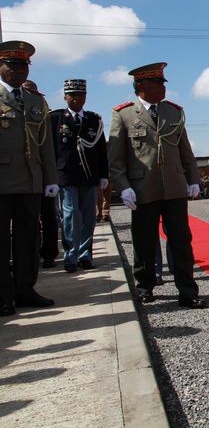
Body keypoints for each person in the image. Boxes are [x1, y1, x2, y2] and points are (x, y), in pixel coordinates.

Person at [108, 62, 207, 308]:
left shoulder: (174, 112)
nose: (162, 88)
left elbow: (185, 150)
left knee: (181, 241)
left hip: (174, 187)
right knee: (143, 240)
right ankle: (144, 287)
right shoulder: (124, 114)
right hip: (143, 188)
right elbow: (116, 158)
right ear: (140, 86)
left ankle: (187, 291)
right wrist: (123, 186)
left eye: (163, 83)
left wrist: (193, 179)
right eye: (156, 83)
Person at [0, 41, 59, 315]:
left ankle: (25, 289)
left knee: (28, 237)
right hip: (2, 181)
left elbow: (45, 144)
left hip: (31, 179)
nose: (19, 70)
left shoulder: (37, 101)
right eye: (13, 65)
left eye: (24, 65)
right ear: (1, 67)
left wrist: (50, 178)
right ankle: (3, 295)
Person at [49, 79, 109, 272]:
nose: (76, 99)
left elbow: (101, 150)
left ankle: (85, 255)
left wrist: (103, 175)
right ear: (65, 97)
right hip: (66, 176)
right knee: (71, 215)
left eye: (80, 95)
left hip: (89, 176)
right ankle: (70, 256)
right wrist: (51, 177)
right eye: (72, 95)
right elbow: (49, 151)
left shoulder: (94, 120)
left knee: (89, 218)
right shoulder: (55, 119)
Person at [22, 80, 62, 268]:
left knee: (48, 216)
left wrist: (52, 177)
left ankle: (49, 253)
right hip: (19, 175)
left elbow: (49, 147)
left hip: (42, 172)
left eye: (30, 90)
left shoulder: (43, 109)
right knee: (27, 221)